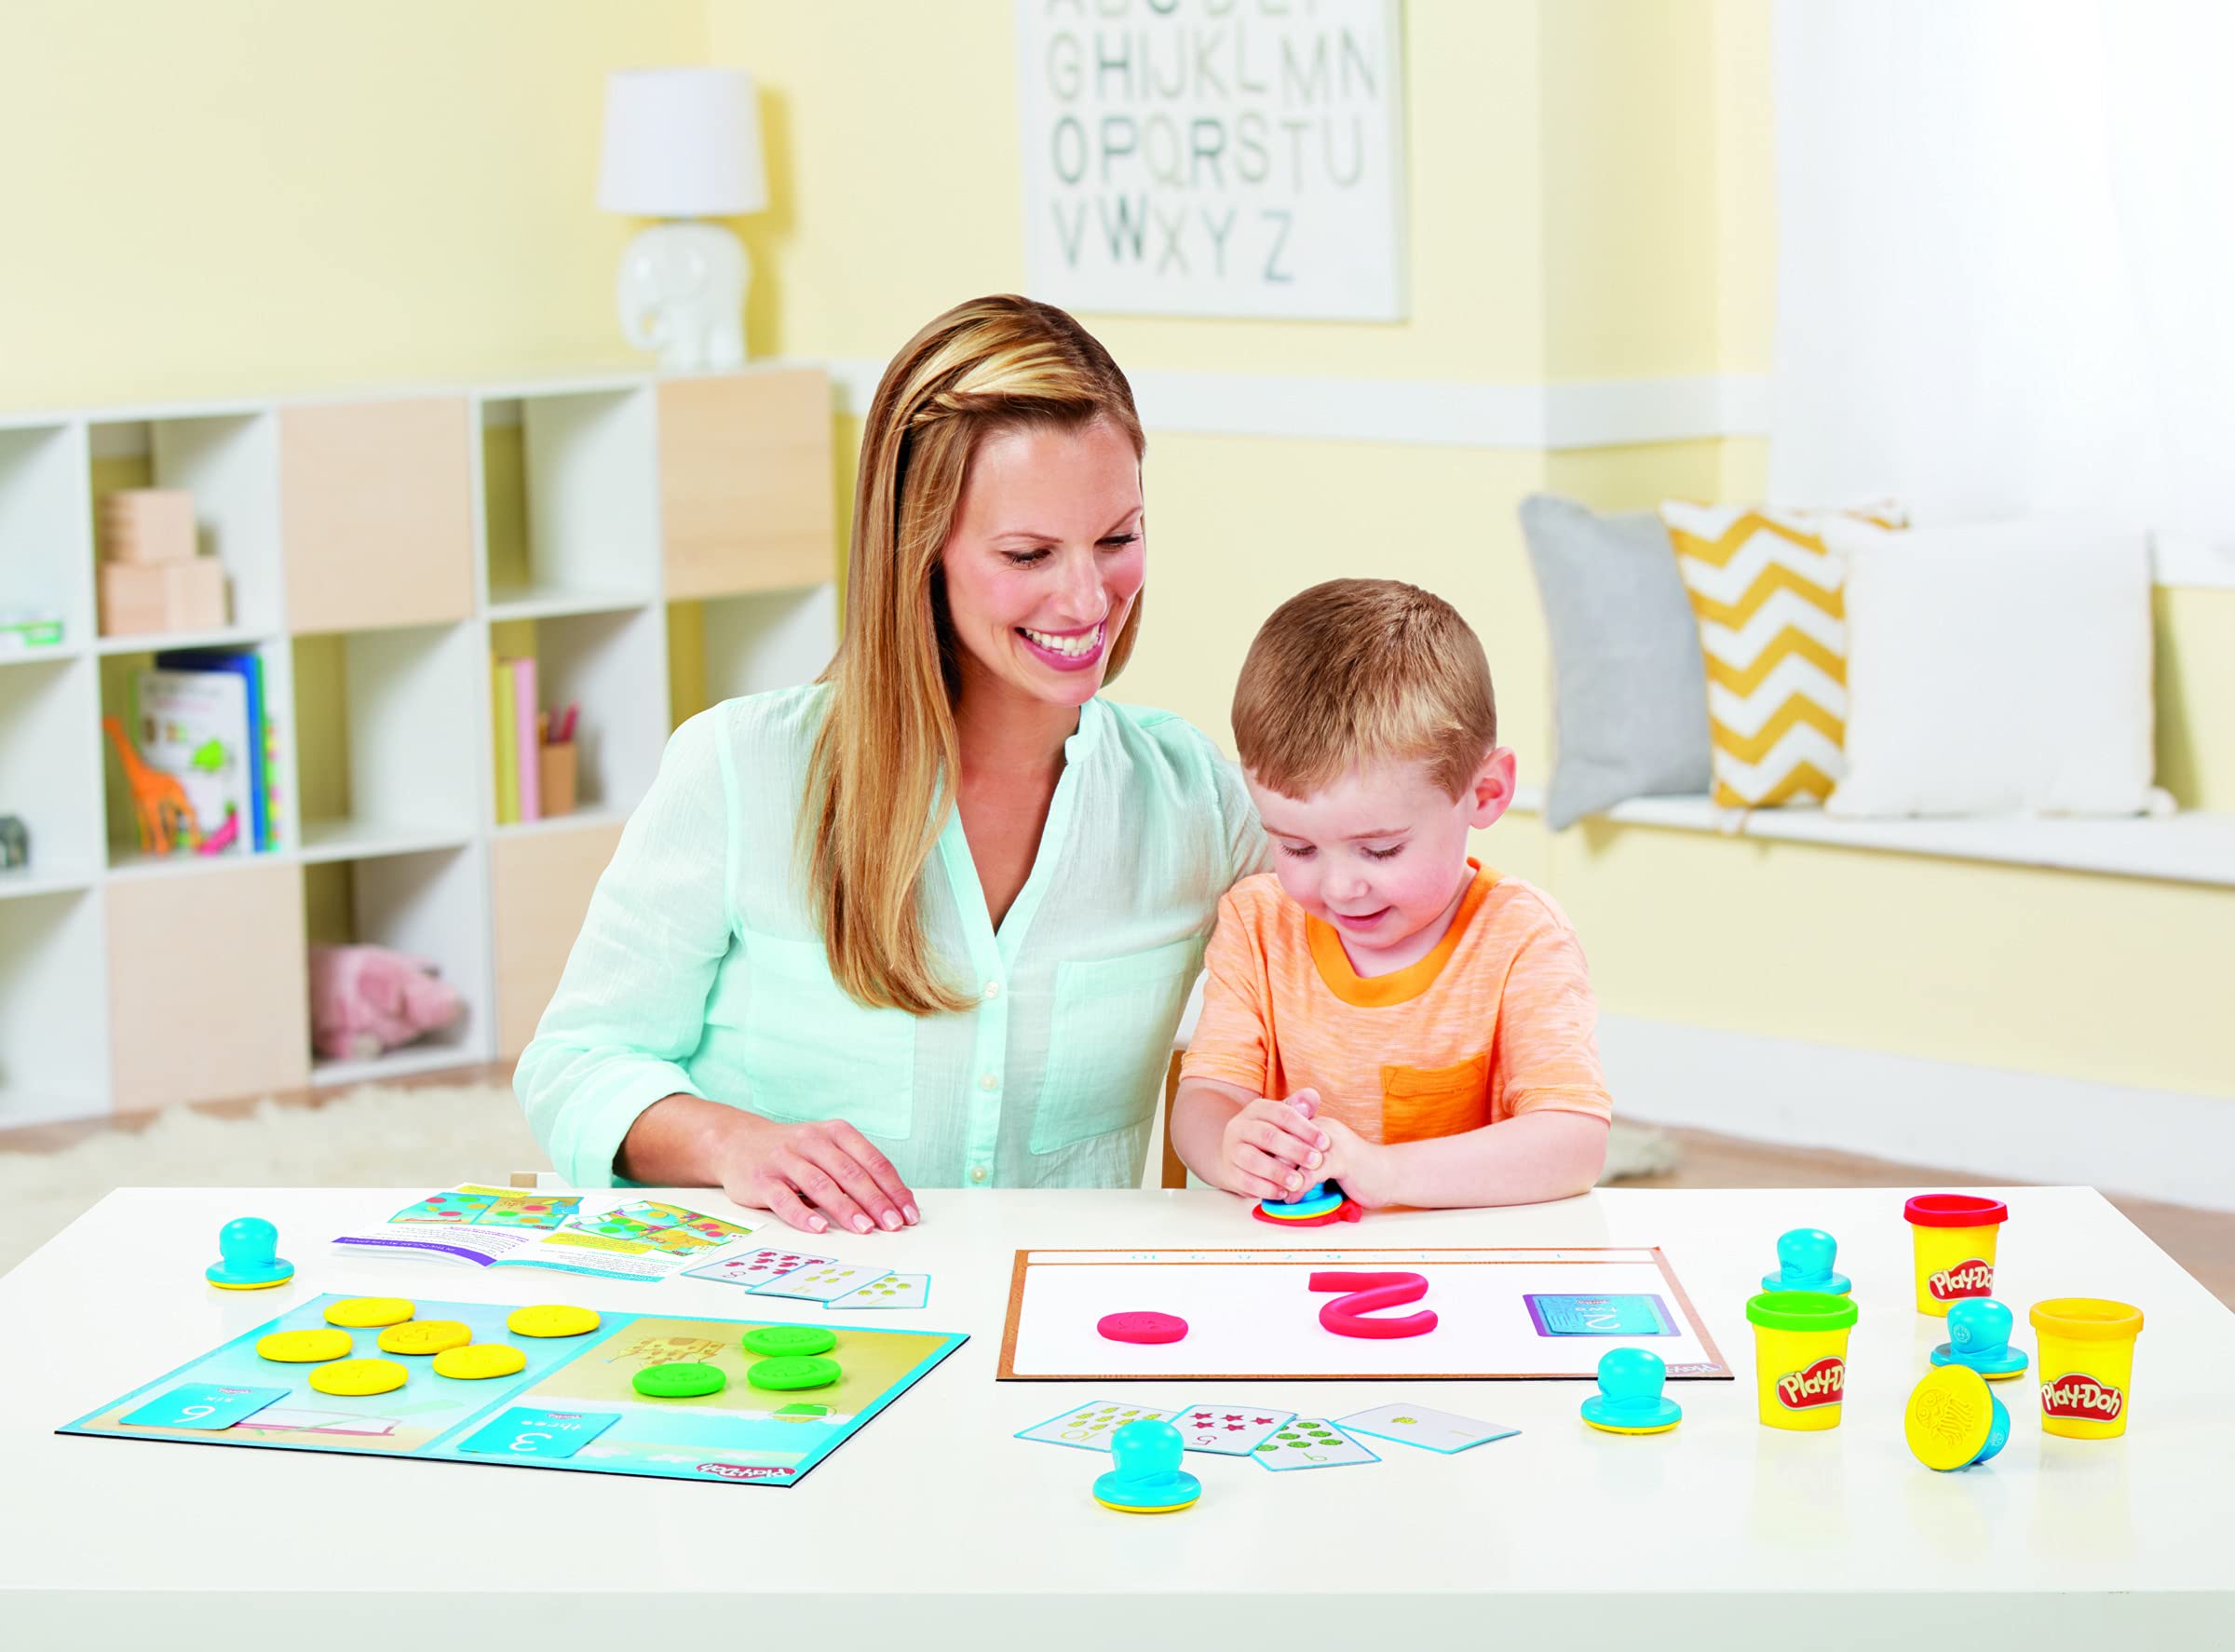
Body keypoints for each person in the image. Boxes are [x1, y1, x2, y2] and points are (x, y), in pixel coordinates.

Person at [516, 295, 1263, 1233]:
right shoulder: (743, 770)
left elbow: (1363, 971)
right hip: (787, 1304)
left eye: (1117, 538)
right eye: (1028, 554)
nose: (1087, 599)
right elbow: (575, 1066)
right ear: (920, 549)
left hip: (1049, 1309)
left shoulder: (1196, 801)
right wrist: (734, 1144)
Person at [1169, 578, 1611, 1210]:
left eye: (1380, 850)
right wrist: (1229, 1147)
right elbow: (1206, 1099)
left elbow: (1574, 1144)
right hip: (1294, 1255)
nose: (1339, 887)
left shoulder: (1522, 937)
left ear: (1485, 793)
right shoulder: (1258, 923)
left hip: (1457, 1259)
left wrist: (1386, 1173)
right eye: (1297, 848)